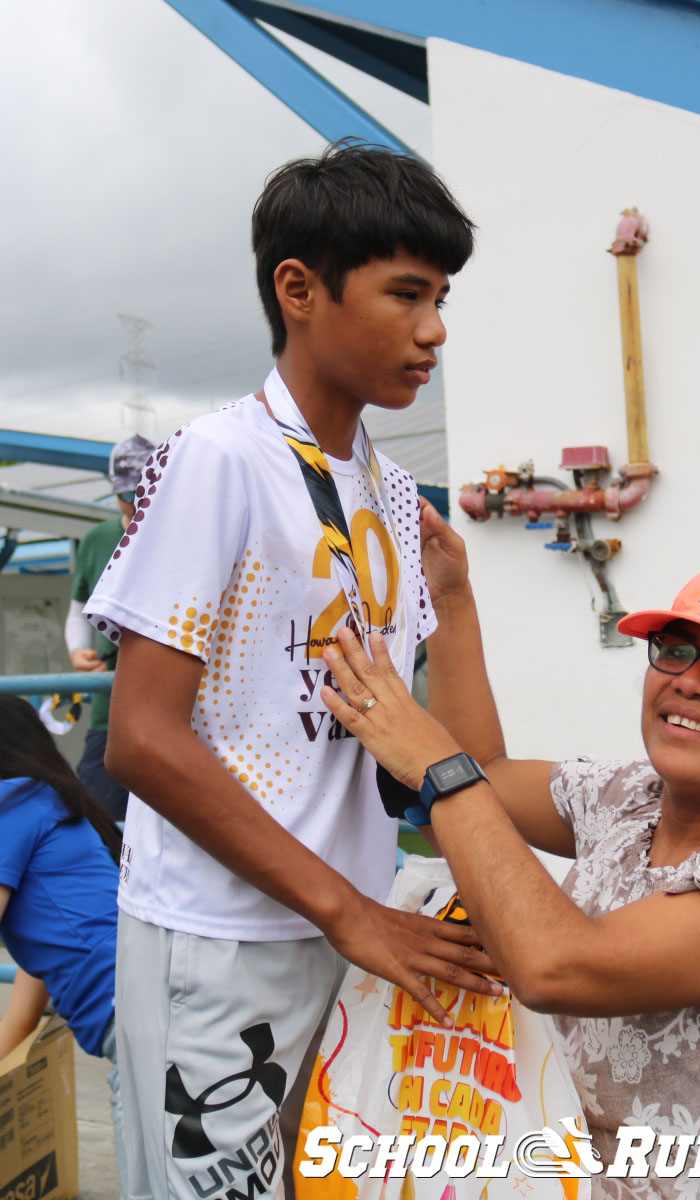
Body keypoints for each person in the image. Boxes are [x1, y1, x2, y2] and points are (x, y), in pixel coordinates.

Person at [84, 142, 497, 1200]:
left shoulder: (397, 497)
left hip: (349, 934)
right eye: (407, 293)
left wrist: (455, 608)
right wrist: (348, 911)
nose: (435, 330)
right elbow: (142, 738)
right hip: (226, 938)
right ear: (299, 290)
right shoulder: (222, 458)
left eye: (442, 297)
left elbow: (453, 767)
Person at [321, 510, 700, 1199]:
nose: (691, 681)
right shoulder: (625, 799)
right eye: (673, 649)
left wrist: (435, 763)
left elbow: (556, 966)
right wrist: (450, 596)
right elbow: (483, 768)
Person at [0, 695, 127, 1198]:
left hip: (136, 1014)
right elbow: (22, 1019)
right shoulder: (53, 807)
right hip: (144, 1005)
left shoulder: (11, 802)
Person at [65, 433, 155, 820]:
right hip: (109, 704)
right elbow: (77, 610)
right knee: (99, 818)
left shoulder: (185, 532)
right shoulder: (97, 540)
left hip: (173, 701)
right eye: (126, 493)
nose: (135, 503)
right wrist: (77, 651)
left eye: (142, 491)